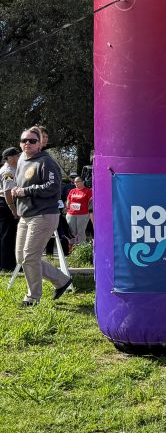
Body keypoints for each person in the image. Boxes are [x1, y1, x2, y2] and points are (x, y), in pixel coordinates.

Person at [12, 127, 74, 307]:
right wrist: (17, 191)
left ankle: (33, 297)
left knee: (30, 258)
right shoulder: (23, 160)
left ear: (40, 143)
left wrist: (25, 191)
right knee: (22, 258)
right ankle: (61, 280)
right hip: (26, 215)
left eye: (32, 141)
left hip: (44, 215)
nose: (27, 144)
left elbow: (54, 187)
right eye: (24, 140)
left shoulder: (46, 161)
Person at [1, 147, 20, 272]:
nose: (19, 158)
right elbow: (8, 192)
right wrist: (13, 209)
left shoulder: (13, 169)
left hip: (8, 203)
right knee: (7, 236)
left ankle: (10, 263)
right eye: (17, 156)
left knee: (10, 235)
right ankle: (7, 266)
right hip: (6, 204)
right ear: (9, 158)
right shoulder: (8, 171)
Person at [65, 175, 93, 247]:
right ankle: (71, 248)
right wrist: (67, 209)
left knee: (81, 232)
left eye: (77, 182)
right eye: (74, 182)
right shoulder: (72, 191)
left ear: (82, 182)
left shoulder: (88, 191)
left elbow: (91, 202)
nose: (75, 183)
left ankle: (81, 248)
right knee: (71, 232)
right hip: (71, 214)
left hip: (83, 214)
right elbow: (68, 201)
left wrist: (90, 213)